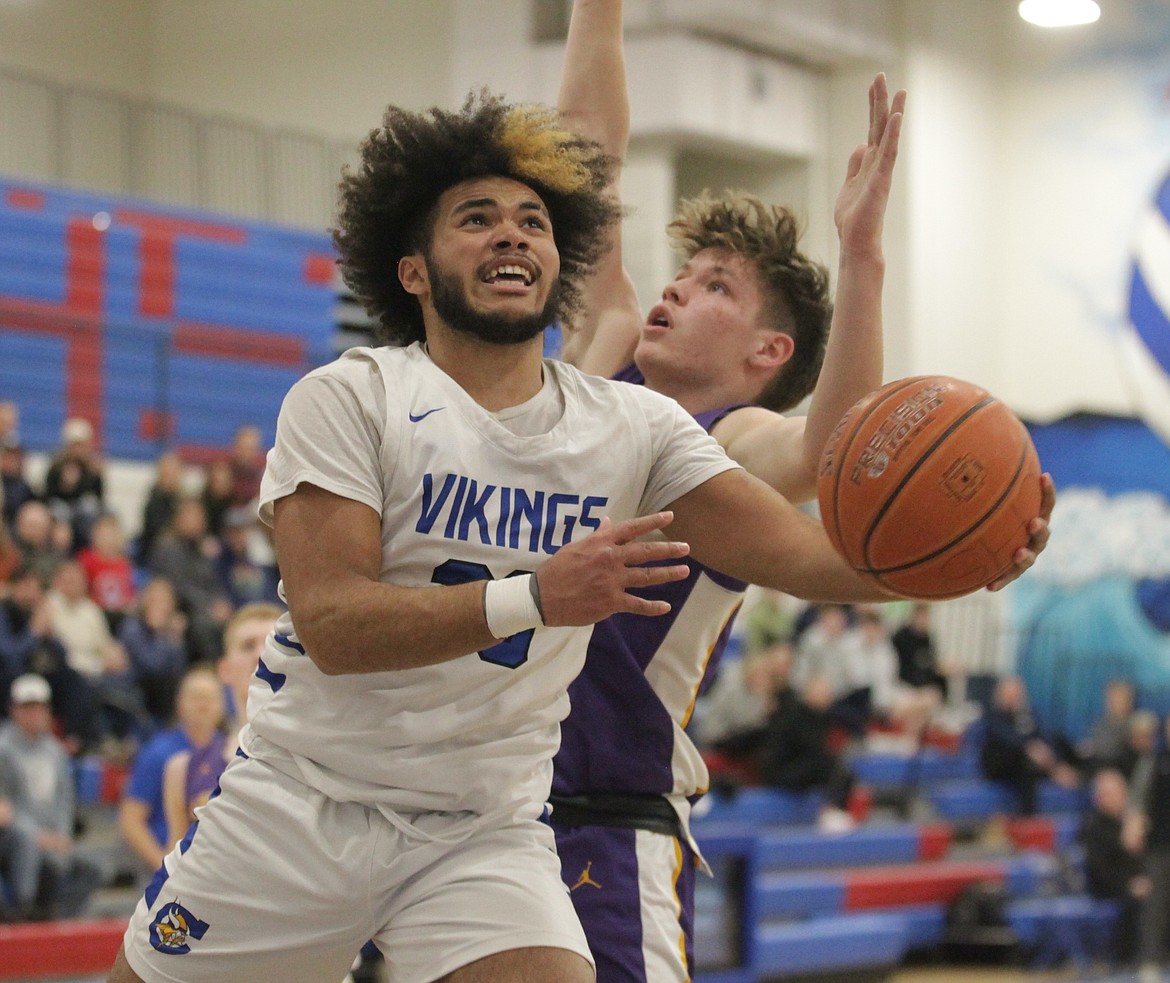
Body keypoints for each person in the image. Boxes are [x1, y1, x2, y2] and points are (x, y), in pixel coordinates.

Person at [107, 83, 959, 983]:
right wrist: (538, 595)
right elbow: (332, 622)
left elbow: (815, 554)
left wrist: (967, 561)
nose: (512, 233)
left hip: (489, 827)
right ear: (412, 269)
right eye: (476, 218)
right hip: (306, 800)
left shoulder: (641, 427)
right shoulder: (349, 395)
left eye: (534, 221)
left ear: (560, 262)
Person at [546, 2, 1052, 980]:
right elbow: (584, 158)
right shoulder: (604, 347)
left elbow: (831, 453)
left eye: (717, 287)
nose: (679, 288)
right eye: (684, 273)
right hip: (469, 811)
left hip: (602, 825)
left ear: (766, 352)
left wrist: (862, 257)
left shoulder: (724, 439)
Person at [161, 602, 281, 847]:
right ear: (224, 670)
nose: (261, 654)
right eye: (248, 645)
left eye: (274, 644)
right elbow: (176, 872)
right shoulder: (183, 769)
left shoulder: (325, 760)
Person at [0, 674, 103, 920]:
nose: (34, 714)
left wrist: (62, 834)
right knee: (27, 848)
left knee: (93, 868)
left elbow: (65, 800)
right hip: (15, 838)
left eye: (39, 707)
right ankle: (24, 909)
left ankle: (53, 919)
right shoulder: (3, 749)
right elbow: (4, 808)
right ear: (14, 710)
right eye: (27, 708)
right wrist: (37, 836)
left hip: (51, 836)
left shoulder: (55, 751)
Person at [117, 666, 227, 876]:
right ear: (180, 704)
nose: (203, 705)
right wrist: (165, 870)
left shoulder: (231, 753)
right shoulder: (159, 753)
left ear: (222, 704)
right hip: (172, 863)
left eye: (210, 698)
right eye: (196, 697)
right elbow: (130, 819)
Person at [979, 674, 1079, 816]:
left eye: (1016, 694)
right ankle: (1027, 818)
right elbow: (1006, 737)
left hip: (1028, 761)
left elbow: (1044, 735)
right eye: (1010, 694)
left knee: (1060, 742)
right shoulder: (991, 713)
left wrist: (1054, 761)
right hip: (999, 763)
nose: (1013, 698)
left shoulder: (1028, 714)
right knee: (1026, 765)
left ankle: (1067, 775)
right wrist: (1030, 748)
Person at [1081, 767, 1150, 967]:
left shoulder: (1136, 820)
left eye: (1119, 792)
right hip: (1108, 887)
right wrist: (1129, 885)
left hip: (1142, 882)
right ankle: (1129, 961)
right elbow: (1099, 870)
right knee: (1134, 903)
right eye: (1109, 794)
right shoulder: (1093, 826)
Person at [43, 417, 104, 548]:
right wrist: (65, 486)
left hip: (82, 511)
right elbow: (48, 495)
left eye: (81, 444)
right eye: (74, 444)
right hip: (61, 508)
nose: (78, 449)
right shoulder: (56, 466)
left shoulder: (93, 469)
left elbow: (98, 497)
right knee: (60, 512)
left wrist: (80, 483)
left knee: (89, 508)